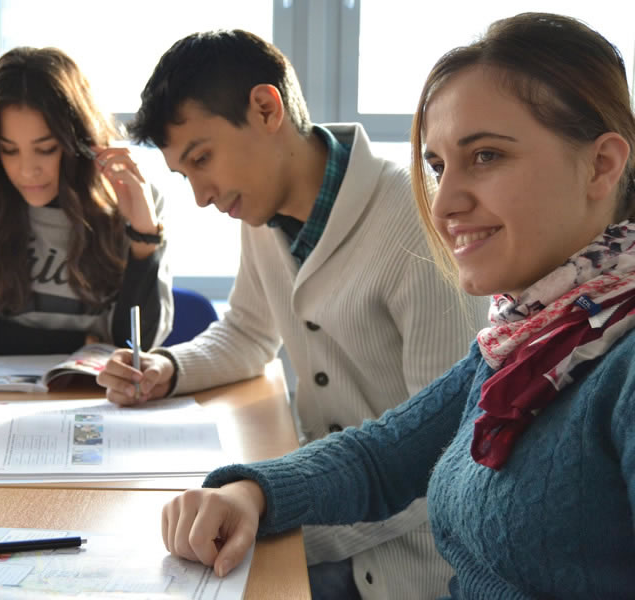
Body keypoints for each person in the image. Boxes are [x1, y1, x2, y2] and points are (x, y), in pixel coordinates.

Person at [159, 12, 635, 599]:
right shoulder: (532, 335)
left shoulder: (617, 361)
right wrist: (250, 491)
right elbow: (384, 455)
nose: (444, 204)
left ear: (603, 164)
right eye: (436, 166)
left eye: (486, 155)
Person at [97, 30, 488, 599]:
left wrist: (275, 524)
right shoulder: (261, 215)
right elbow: (248, 334)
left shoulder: (416, 221)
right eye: (184, 175)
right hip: (320, 507)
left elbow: (439, 461)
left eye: (202, 159)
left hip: (407, 564)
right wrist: (168, 368)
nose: (202, 196)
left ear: (265, 107)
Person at [0, 47, 173, 356]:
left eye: (46, 148)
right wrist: (84, 344)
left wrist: (144, 237)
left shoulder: (129, 199)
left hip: (101, 395)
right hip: (0, 395)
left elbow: (135, 346)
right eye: (9, 150)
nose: (27, 170)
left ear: (77, 144)